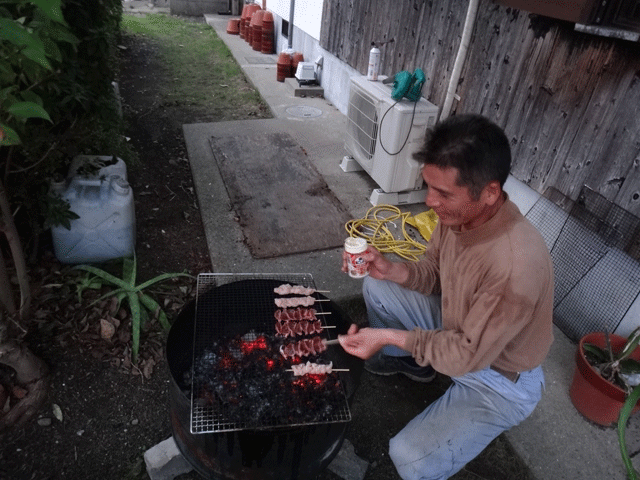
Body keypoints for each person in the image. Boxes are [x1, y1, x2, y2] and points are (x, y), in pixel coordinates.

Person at [338, 114, 554, 480]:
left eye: (443, 193)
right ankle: (410, 364)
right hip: (462, 328)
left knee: (409, 457)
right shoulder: (458, 217)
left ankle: (414, 362)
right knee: (378, 286)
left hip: (500, 375)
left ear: (489, 192)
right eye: (428, 187)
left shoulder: (514, 267)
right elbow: (433, 275)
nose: (429, 201)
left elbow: (465, 355)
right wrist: (388, 268)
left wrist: (390, 335)